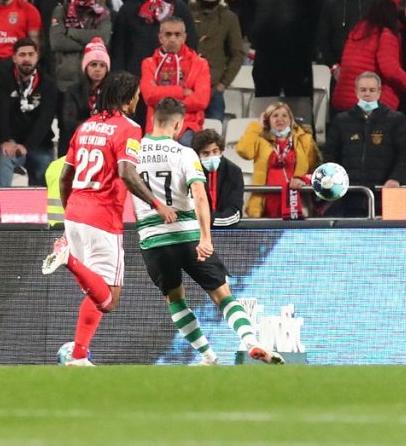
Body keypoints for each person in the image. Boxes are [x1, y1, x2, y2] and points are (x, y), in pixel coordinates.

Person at [132, 97, 282, 365]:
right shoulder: (184, 153)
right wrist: (205, 238)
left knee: (175, 299)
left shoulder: (133, 153)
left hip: (152, 239)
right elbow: (200, 196)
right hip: (187, 235)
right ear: (178, 124)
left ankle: (208, 356)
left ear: (154, 120)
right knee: (222, 295)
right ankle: (250, 341)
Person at [42, 71, 177, 366]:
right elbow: (127, 173)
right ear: (129, 99)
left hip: (76, 213)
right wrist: (157, 204)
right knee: (109, 299)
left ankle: (78, 356)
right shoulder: (128, 128)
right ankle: (68, 260)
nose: (139, 100)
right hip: (102, 218)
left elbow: (66, 176)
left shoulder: (85, 127)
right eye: (137, 96)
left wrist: (70, 214)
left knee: (94, 292)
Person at [241, 0, 323, 122]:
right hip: (265, 53)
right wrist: (253, 34)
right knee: (265, 103)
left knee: (300, 104)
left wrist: (309, 46)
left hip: (296, 54)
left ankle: (304, 145)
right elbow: (247, 11)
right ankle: (265, 146)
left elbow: (315, 14)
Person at [322, 71, 406, 217]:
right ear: (356, 92)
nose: (367, 94)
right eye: (363, 90)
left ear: (379, 92)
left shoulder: (396, 120)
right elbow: (330, 154)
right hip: (350, 197)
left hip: (384, 195)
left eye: (372, 90)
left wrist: (397, 178)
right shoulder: (341, 121)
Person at [110, 0, 197, 79]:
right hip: (134, 79)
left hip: (170, 79)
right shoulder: (128, 9)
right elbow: (118, 47)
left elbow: (191, 43)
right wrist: (119, 79)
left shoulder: (179, 8)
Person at [0, 39, 57, 187]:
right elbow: (0, 113)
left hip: (40, 144)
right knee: (5, 157)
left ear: (37, 57)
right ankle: (1, 205)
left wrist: (28, 146)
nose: (26, 59)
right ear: (14, 57)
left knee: (44, 176)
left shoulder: (48, 83)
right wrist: (4, 139)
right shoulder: (2, 79)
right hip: (12, 141)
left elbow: (45, 119)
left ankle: (39, 209)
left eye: (31, 54)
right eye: (22, 55)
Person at [235, 101, 320, 218]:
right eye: (275, 116)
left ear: (290, 119)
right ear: (267, 120)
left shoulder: (304, 139)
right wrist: (256, 127)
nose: (280, 119)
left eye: (284, 115)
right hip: (266, 202)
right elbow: (244, 151)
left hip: (296, 200)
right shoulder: (261, 140)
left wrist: (303, 179)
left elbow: (315, 167)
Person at [332, 0, 406, 117]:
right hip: (370, 106)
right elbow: (390, 70)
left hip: (344, 100)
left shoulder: (356, 32)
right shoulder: (385, 34)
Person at [139, 16, 211, 145]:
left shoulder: (200, 63)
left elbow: (201, 100)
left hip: (187, 127)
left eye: (177, 35)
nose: (172, 39)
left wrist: (161, 96)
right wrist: (181, 91)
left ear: (184, 37)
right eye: (168, 34)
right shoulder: (148, 63)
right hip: (156, 127)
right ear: (160, 37)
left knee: (187, 145)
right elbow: (149, 96)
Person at [190, 0, 245, 122]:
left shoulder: (229, 18)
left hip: (214, 89)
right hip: (187, 88)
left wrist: (223, 84)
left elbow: (237, 54)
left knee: (213, 138)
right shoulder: (185, 13)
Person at [49, 0, 111, 95]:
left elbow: (103, 39)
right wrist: (90, 45)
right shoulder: (61, 10)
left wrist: (71, 32)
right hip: (66, 81)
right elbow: (57, 42)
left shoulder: (102, 12)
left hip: (94, 82)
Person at [316, 0, 379, 70]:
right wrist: (334, 67)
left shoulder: (376, 4)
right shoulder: (330, 5)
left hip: (369, 72)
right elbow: (323, 39)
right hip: (339, 72)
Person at [59, 37, 110, 155]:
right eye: (93, 65)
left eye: (102, 66)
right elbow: (69, 121)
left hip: (105, 145)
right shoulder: (72, 91)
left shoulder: (113, 92)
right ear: (86, 67)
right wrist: (95, 128)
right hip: (78, 143)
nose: (98, 69)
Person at [192, 127, 244, 227]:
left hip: (225, 232)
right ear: (198, 155)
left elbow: (235, 212)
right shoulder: (191, 171)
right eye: (205, 153)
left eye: (215, 151)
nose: (211, 156)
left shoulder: (234, 171)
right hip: (197, 232)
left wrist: (207, 220)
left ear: (221, 151)